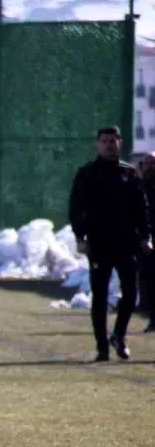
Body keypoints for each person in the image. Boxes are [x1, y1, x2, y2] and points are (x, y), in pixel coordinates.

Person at [68, 126, 152, 361]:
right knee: (101, 294)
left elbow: (141, 209)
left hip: (126, 243)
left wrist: (146, 236)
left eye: (113, 141)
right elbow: (76, 208)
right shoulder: (87, 174)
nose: (109, 145)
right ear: (98, 144)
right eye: (104, 141)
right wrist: (80, 236)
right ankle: (101, 346)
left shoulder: (130, 173)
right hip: (99, 243)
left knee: (130, 292)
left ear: (120, 143)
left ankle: (119, 336)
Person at [138, 152, 155, 332]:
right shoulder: (139, 187)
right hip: (144, 240)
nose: (150, 167)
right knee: (147, 280)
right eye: (147, 164)